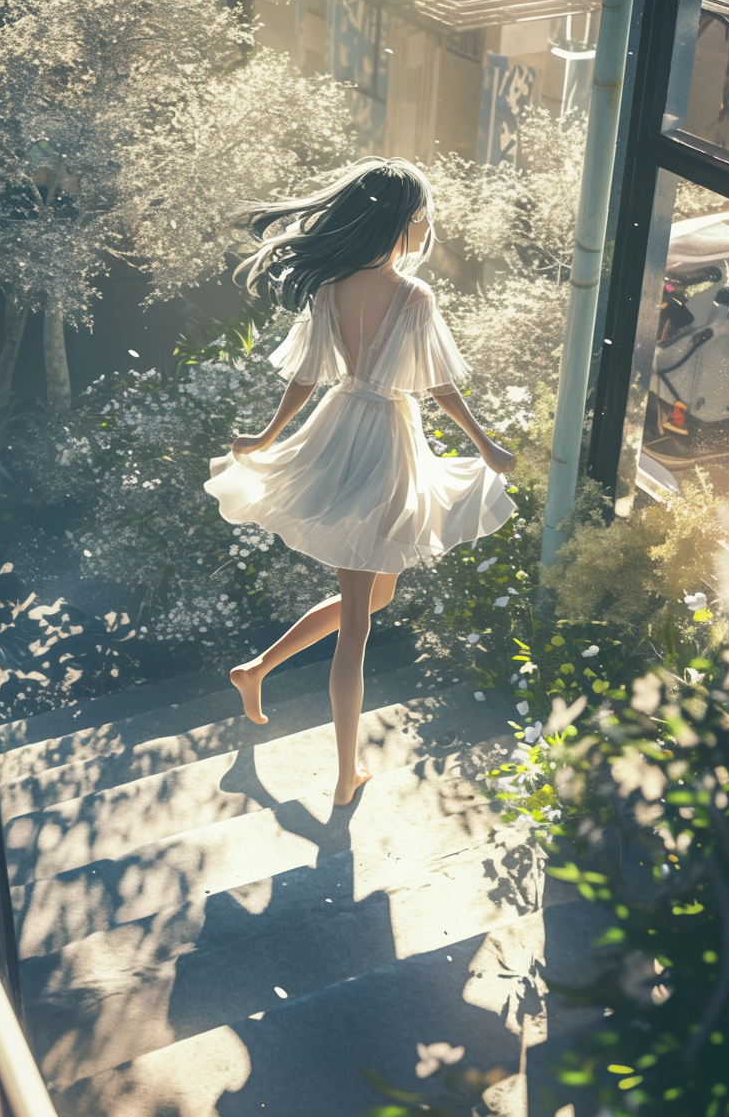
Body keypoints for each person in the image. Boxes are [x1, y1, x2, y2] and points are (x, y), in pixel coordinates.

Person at [204, 157, 516, 806]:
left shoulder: (333, 288)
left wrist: (268, 438)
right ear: (401, 224)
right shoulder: (415, 297)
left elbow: (306, 380)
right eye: (420, 220)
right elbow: (438, 387)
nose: (423, 230)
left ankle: (255, 669)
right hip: (384, 444)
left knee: (369, 602)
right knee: (358, 622)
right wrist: (485, 445)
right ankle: (345, 772)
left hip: (342, 428)